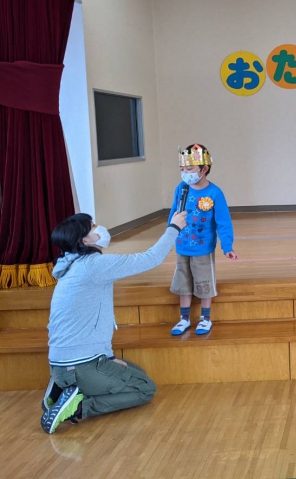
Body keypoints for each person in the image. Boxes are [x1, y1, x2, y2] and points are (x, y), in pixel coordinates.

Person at [41, 210, 187, 434]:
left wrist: (107, 357)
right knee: (144, 388)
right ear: (85, 241)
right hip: (80, 365)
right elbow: (151, 259)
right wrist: (174, 228)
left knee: (136, 372)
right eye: (93, 227)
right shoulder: (94, 265)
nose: (99, 228)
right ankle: (78, 408)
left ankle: (63, 388)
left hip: (63, 363)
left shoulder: (71, 265)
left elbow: (91, 322)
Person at [169, 144, 238, 336]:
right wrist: (169, 236)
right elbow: (173, 214)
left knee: (204, 283)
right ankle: (184, 319)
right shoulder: (181, 188)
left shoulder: (215, 193)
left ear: (204, 169)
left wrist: (227, 246)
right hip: (182, 247)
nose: (185, 174)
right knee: (183, 283)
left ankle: (205, 318)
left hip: (203, 249)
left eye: (189, 169)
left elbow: (223, 222)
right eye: (182, 169)